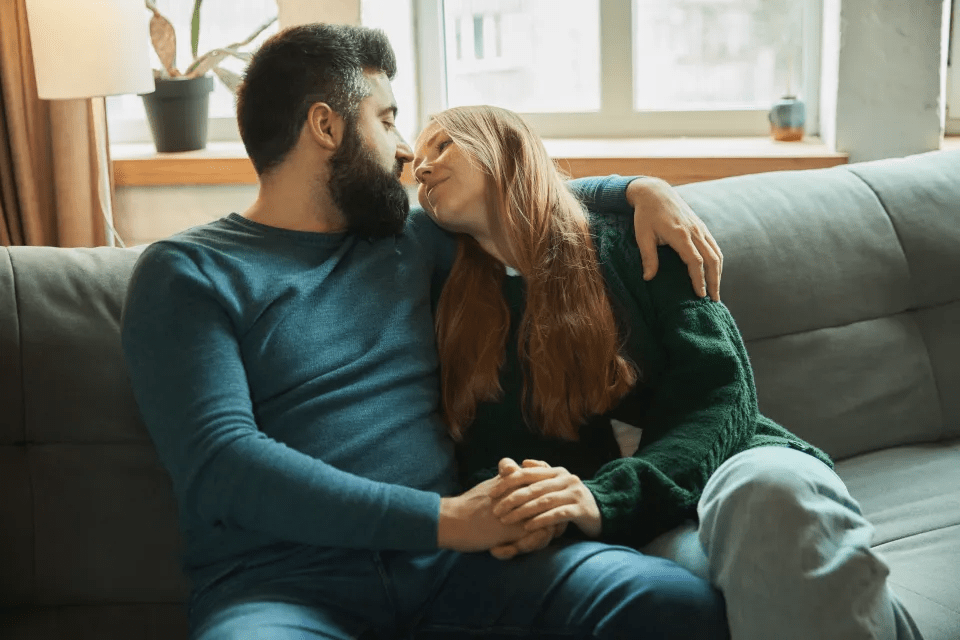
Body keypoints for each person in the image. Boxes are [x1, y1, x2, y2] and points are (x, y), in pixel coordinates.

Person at [121, 23, 732, 640]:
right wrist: (446, 519)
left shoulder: (414, 240)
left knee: (671, 602)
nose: (408, 151)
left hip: (458, 573)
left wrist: (636, 190)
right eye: (386, 120)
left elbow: (518, 201)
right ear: (326, 127)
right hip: (283, 586)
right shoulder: (188, 272)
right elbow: (223, 465)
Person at [412, 104, 926, 640]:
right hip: (643, 534)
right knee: (714, 596)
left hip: (735, 468)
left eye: (443, 146)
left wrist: (609, 496)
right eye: (417, 161)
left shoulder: (637, 242)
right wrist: (530, 512)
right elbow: (492, 457)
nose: (422, 168)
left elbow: (719, 392)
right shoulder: (455, 305)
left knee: (772, 497)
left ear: (506, 149)